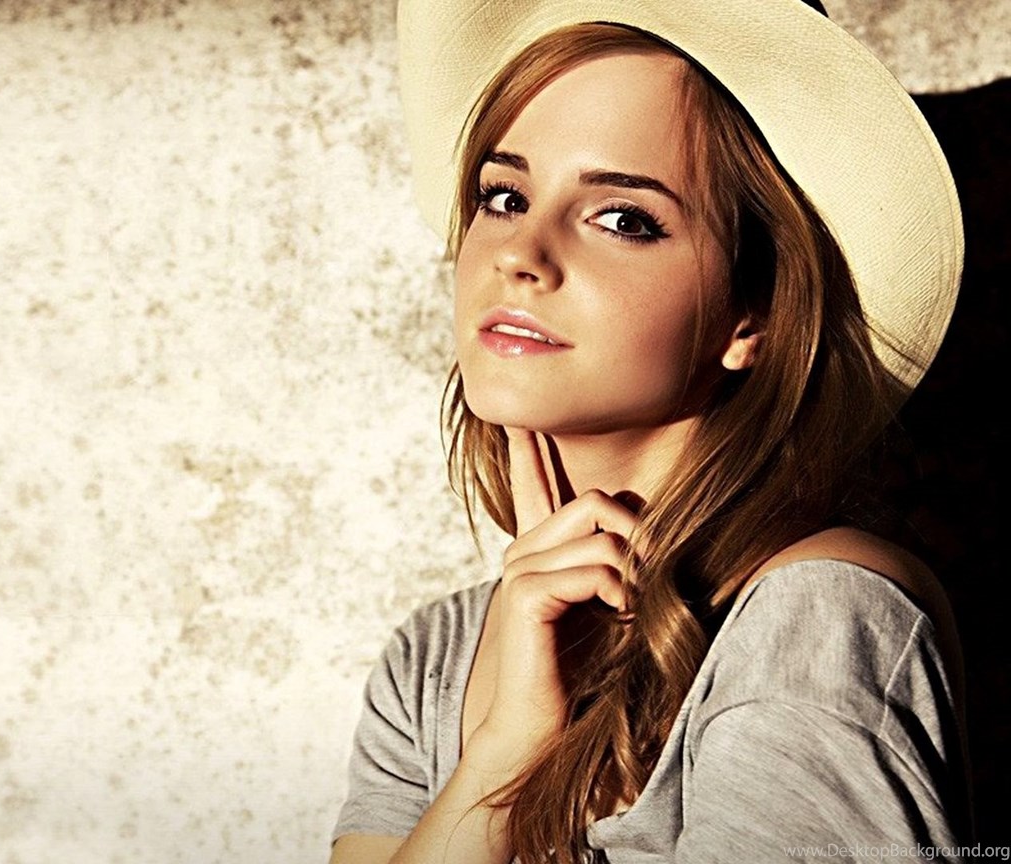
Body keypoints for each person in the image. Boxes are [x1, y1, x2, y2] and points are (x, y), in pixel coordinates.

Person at [332, 0, 970, 861]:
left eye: (623, 218)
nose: (520, 253)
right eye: (504, 196)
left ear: (753, 316)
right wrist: (501, 757)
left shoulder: (819, 622)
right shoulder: (434, 662)